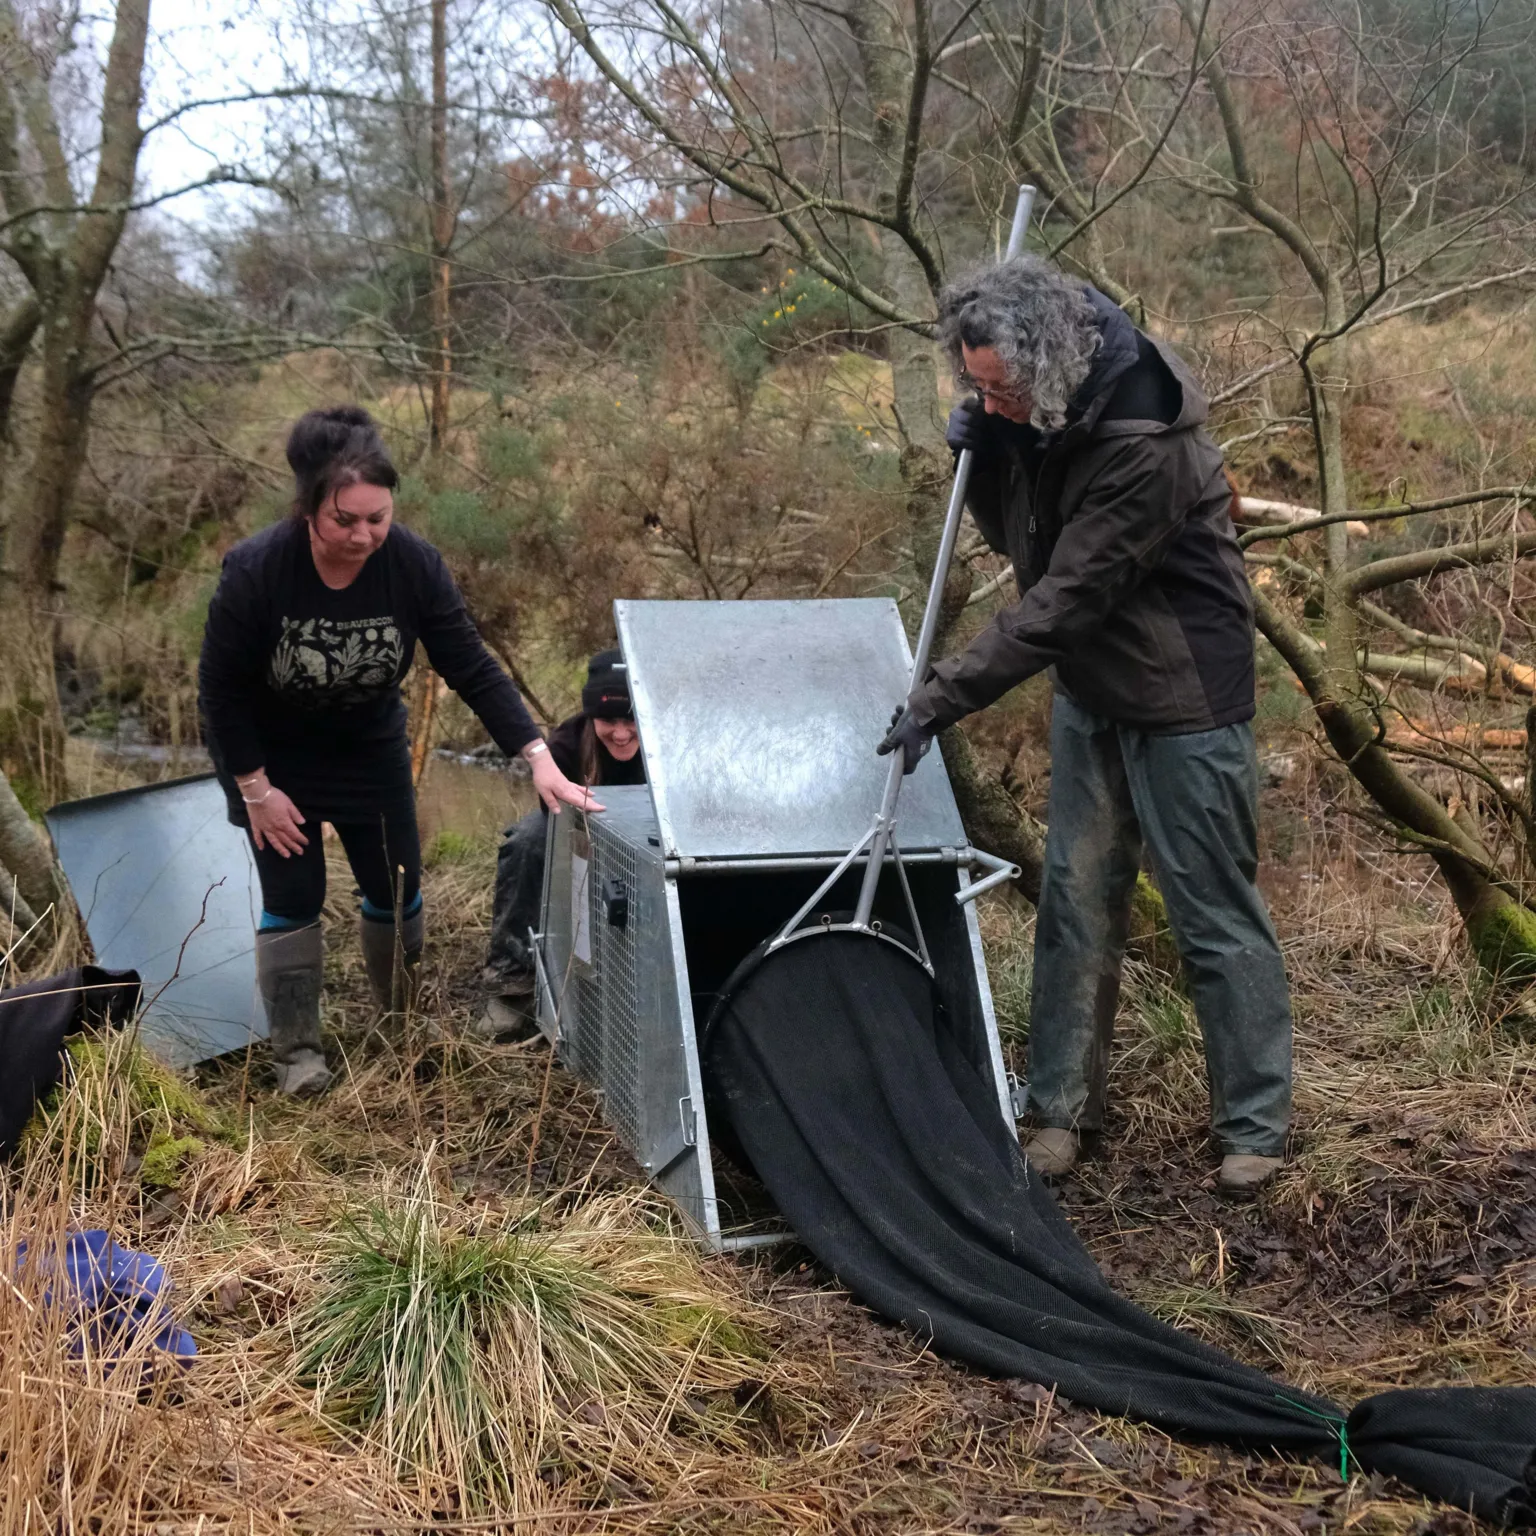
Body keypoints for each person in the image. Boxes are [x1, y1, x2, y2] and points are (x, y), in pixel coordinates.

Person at [878, 257, 1292, 1195]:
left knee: (1211, 911)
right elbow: (1021, 547)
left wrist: (943, 693)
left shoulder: (1144, 434)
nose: (993, 401)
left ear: (1050, 364)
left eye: (1002, 390)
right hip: (1091, 688)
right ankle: (1061, 1110)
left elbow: (1068, 595)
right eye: (976, 387)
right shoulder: (1042, 408)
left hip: (1183, 693)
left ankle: (1256, 1124)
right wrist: (986, 457)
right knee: (1073, 900)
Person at [199, 406, 597, 1096]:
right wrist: (257, 792)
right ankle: (297, 1053)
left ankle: (399, 1024)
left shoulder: (412, 566)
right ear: (308, 511)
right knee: (296, 893)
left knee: (397, 885)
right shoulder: (257, 570)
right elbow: (220, 692)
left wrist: (536, 753)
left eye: (376, 518)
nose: (363, 536)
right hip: (270, 756)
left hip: (368, 746)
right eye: (344, 521)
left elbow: (469, 665)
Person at [478, 649, 644, 1039]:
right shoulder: (567, 744)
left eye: (631, 719)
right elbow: (554, 817)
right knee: (527, 841)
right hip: (580, 836)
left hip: (650, 845)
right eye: (608, 720)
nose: (621, 733)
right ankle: (512, 983)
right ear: (590, 716)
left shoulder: (669, 744)